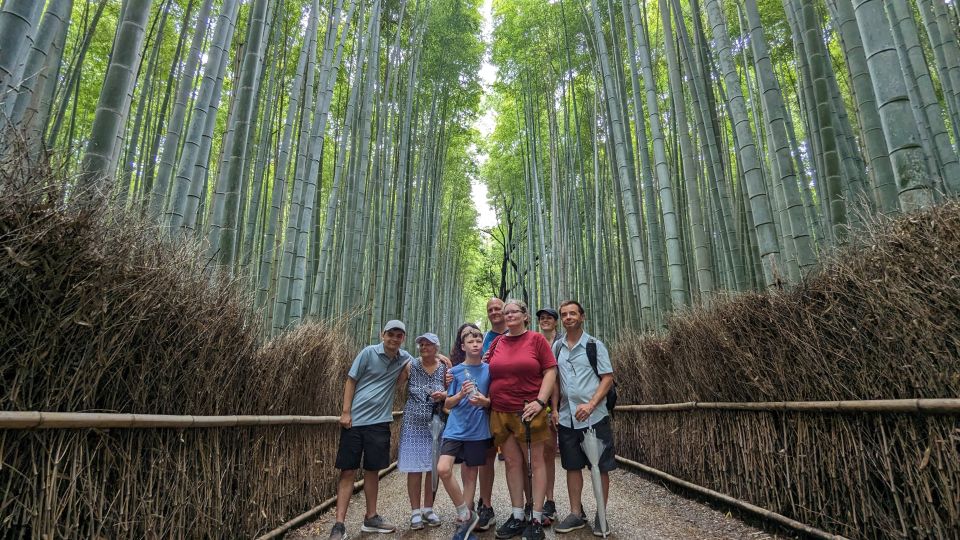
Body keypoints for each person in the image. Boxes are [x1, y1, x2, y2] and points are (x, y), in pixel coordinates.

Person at [329, 320, 413, 540]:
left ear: (403, 339)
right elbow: (350, 380)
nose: (394, 339)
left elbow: (423, 363)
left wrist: (442, 358)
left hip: (380, 423)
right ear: (382, 334)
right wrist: (346, 412)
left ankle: (371, 517)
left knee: (372, 471)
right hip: (355, 422)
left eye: (399, 336)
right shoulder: (368, 353)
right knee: (347, 470)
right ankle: (339, 524)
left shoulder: (404, 358)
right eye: (391, 334)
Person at [487, 299, 557, 540]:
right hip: (500, 411)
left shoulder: (536, 340)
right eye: (506, 313)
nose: (508, 315)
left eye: (514, 311)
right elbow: (484, 368)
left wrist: (540, 402)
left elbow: (550, 370)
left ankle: (536, 517)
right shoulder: (497, 341)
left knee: (536, 463)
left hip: (529, 410)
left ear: (525, 316)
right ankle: (518, 515)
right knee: (512, 463)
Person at [550, 301, 616, 537]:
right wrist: (555, 408)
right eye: (564, 314)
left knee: (601, 466)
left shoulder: (594, 345)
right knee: (572, 466)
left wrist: (590, 404)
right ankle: (576, 513)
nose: (568, 317)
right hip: (567, 417)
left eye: (573, 313)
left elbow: (607, 378)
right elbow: (555, 380)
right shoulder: (556, 347)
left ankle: (601, 513)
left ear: (582, 317)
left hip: (594, 417)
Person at [438, 326, 492, 540]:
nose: (475, 343)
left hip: (478, 430)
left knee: (471, 476)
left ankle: (465, 527)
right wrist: (460, 393)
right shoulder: (454, 372)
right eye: (470, 341)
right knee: (443, 469)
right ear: (463, 346)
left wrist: (484, 401)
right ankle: (464, 512)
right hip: (455, 429)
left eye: (478, 340)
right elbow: (447, 403)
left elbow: (491, 400)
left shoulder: (490, 369)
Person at [398, 332, 448, 530]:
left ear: (437, 347)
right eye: (422, 344)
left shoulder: (445, 367)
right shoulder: (411, 365)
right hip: (413, 423)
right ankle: (415, 512)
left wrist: (443, 394)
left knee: (432, 467)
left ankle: (428, 509)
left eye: (429, 344)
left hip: (436, 424)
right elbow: (396, 384)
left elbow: (452, 392)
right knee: (414, 468)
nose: (425, 347)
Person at [535, 307, 562, 525]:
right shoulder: (533, 341)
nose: (545, 321)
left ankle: (550, 500)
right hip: (535, 403)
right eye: (542, 318)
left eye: (549, 318)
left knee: (548, 453)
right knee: (535, 456)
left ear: (556, 322)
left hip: (560, 403)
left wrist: (554, 408)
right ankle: (534, 503)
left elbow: (556, 378)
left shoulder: (563, 342)